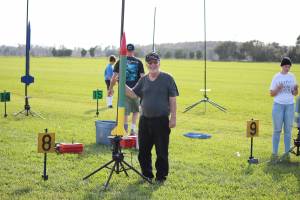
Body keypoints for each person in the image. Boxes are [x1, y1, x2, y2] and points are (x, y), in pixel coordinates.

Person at [125, 52, 179, 183]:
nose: (153, 65)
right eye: (150, 63)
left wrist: (173, 118)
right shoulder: (143, 80)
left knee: (161, 151)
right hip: (144, 120)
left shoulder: (168, 78)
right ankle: (147, 175)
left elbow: (173, 99)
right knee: (143, 151)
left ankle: (161, 177)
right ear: (147, 65)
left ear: (159, 63)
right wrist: (121, 84)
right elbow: (133, 94)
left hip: (161, 120)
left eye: (155, 62)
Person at [108, 44, 144, 135]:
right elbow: (143, 78)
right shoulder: (139, 62)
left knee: (124, 111)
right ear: (134, 51)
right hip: (136, 90)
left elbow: (114, 77)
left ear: (125, 50)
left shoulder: (120, 61)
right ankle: (132, 129)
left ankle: (124, 130)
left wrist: (110, 88)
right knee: (136, 110)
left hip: (124, 89)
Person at [270, 57, 298, 162]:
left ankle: (287, 153)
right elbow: (271, 94)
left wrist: (296, 89)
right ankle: (274, 153)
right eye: (286, 66)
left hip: (290, 106)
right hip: (278, 106)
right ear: (282, 66)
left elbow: (295, 94)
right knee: (277, 130)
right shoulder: (276, 77)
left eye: (289, 66)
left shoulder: (292, 77)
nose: (287, 68)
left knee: (288, 131)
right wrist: (278, 88)